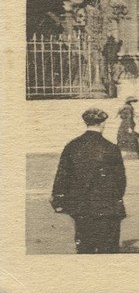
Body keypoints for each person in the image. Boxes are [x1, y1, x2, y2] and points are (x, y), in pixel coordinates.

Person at [51, 108, 127, 254]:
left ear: (86, 123)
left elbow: (62, 176)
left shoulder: (72, 146)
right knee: (108, 250)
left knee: (85, 248)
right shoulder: (111, 148)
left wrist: (59, 200)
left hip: (82, 208)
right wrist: (115, 197)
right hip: (107, 209)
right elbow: (120, 181)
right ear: (103, 124)